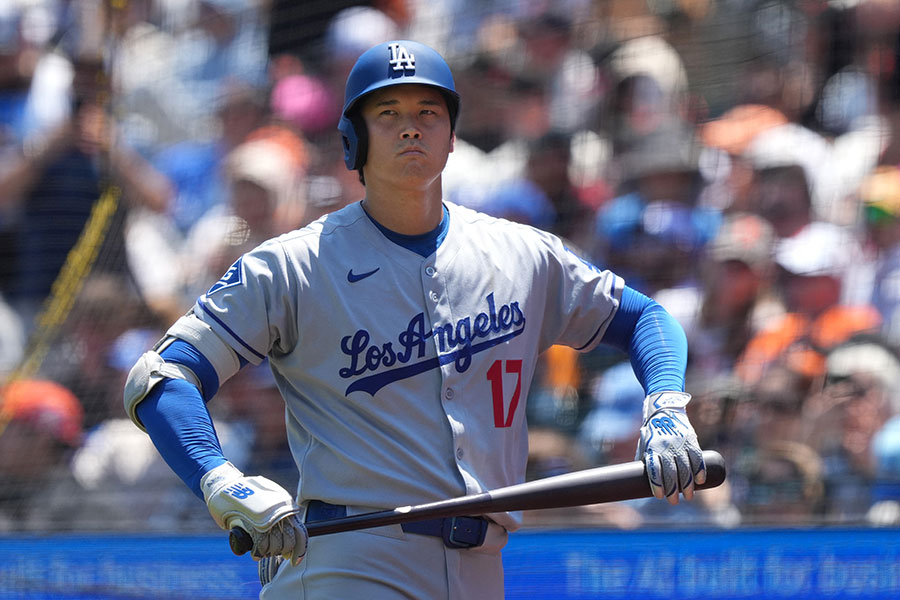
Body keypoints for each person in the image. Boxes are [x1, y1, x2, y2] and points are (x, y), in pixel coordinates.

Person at [123, 40, 707, 599]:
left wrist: (667, 407)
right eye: (388, 113)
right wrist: (221, 480)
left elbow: (645, 319)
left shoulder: (522, 254)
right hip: (351, 561)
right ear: (352, 140)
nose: (411, 127)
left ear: (452, 136)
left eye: (428, 112)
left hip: (482, 565)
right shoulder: (292, 265)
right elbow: (161, 378)